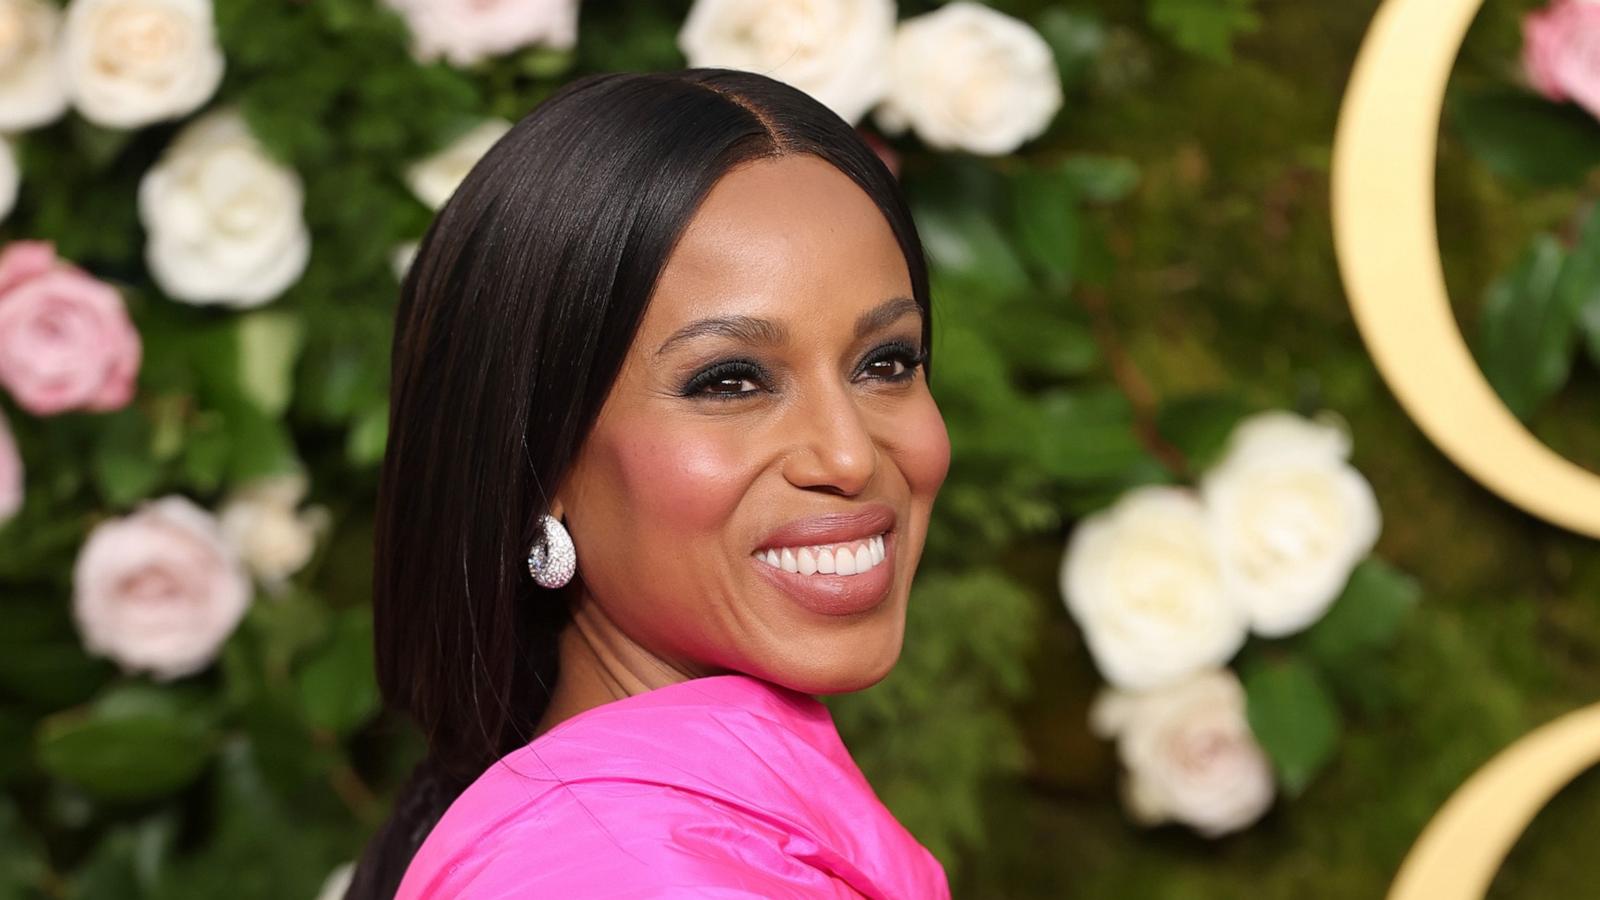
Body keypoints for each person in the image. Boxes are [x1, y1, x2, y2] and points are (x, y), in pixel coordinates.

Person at [345, 68, 953, 899]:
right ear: (542, 460)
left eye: (886, 363)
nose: (848, 457)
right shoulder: (631, 871)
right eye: (732, 381)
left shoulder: (643, 834)